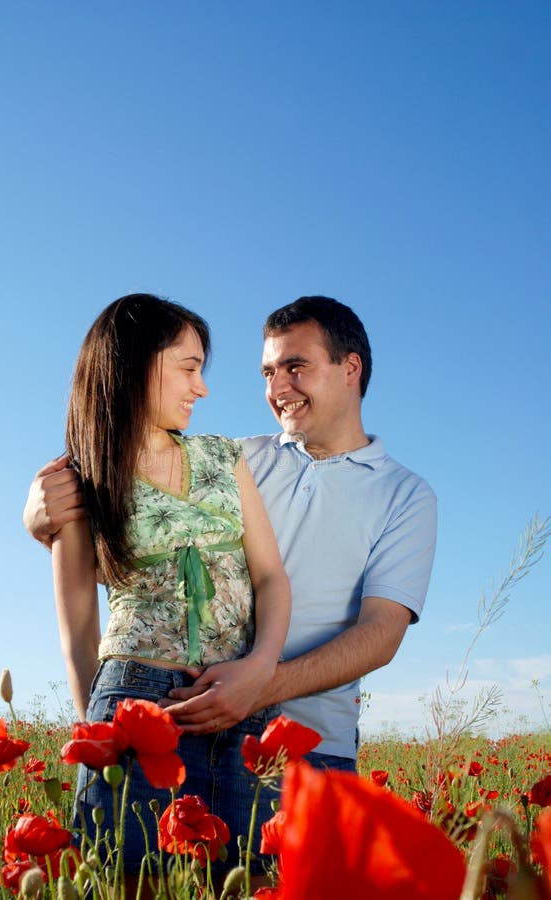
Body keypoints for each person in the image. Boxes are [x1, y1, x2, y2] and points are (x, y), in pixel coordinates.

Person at [24, 295, 436, 774]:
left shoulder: (406, 495)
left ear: (350, 368)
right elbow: (152, 566)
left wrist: (259, 684)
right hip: (194, 711)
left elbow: (380, 634)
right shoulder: (225, 459)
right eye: (267, 373)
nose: (277, 387)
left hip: (314, 743)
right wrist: (44, 523)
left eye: (295, 367)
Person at [48, 293, 290, 882]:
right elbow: (79, 631)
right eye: (189, 366)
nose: (201, 387)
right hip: (136, 697)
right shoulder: (76, 480)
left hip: (243, 697)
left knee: (251, 882)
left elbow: (271, 578)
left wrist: (261, 668)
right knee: (135, 883)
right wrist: (109, 740)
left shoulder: (222, 456)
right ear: (135, 364)